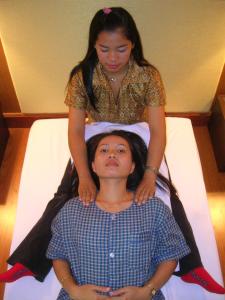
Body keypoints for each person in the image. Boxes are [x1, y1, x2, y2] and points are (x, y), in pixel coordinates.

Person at [1, 6, 224, 295]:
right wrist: (82, 174)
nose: (113, 58)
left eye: (121, 49)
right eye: (104, 49)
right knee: (65, 195)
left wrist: (148, 174)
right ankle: (29, 261)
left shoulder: (148, 76)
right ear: (94, 45)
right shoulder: (82, 76)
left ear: (133, 44)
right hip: (97, 135)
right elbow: (76, 130)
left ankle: (193, 267)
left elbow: (158, 130)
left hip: (135, 135)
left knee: (166, 194)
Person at [46, 130, 191, 300]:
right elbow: (58, 254)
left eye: (121, 150)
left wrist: (148, 290)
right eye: (104, 150)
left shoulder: (154, 209)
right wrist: (73, 290)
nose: (112, 154)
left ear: (132, 166)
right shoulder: (71, 210)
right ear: (92, 166)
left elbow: (170, 254)